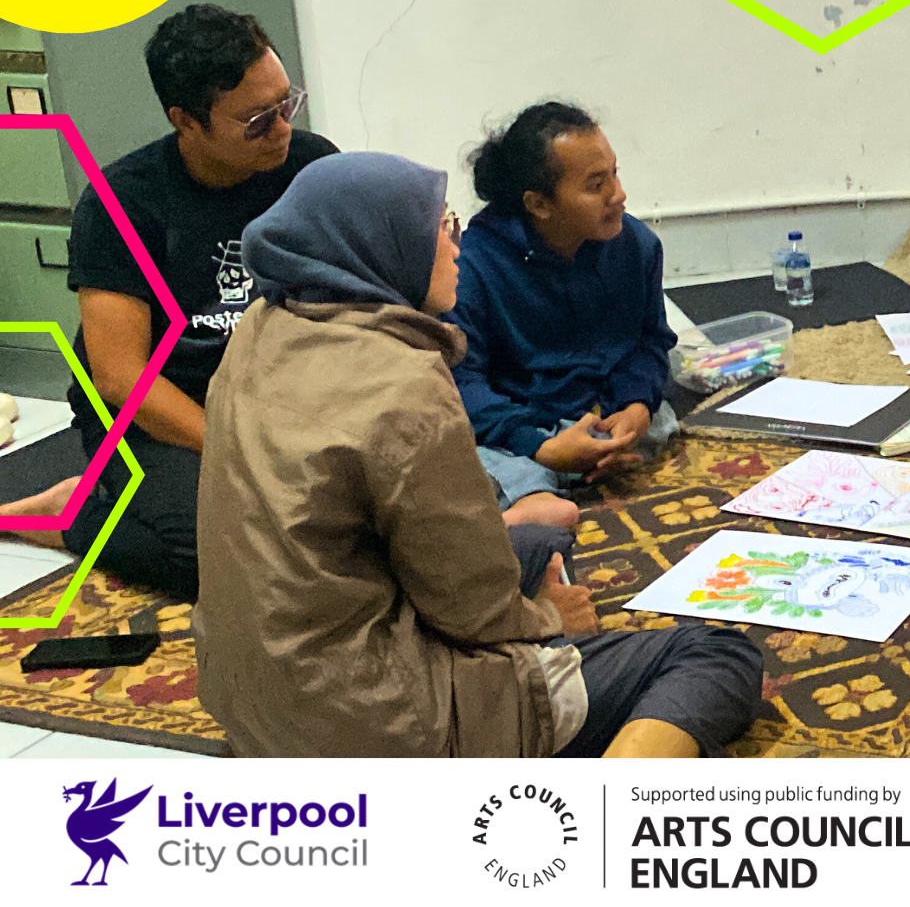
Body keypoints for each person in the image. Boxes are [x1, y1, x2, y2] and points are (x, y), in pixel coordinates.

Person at [194, 151, 762, 757]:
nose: (455, 246)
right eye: (442, 228)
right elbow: (470, 606)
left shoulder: (261, 327)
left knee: (542, 541)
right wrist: (548, 621)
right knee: (716, 655)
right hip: (379, 724)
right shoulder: (402, 380)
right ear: (382, 246)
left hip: (249, 692)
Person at [0, 5, 332, 600]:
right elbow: (121, 379)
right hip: (162, 415)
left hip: (276, 398)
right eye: (257, 120)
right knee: (222, 559)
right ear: (186, 121)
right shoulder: (123, 202)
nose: (282, 127)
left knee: (351, 528)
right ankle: (81, 512)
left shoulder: (313, 167)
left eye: (287, 103)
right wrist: (242, 449)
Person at [448, 102, 677, 526]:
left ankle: (587, 461)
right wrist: (539, 445)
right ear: (539, 204)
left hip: (597, 410)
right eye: (596, 185)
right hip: (520, 423)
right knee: (464, 458)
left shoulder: (636, 245)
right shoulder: (472, 268)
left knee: (661, 410)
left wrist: (634, 409)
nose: (619, 194)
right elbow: (462, 383)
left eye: (615, 173)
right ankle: (547, 478)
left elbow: (649, 340)